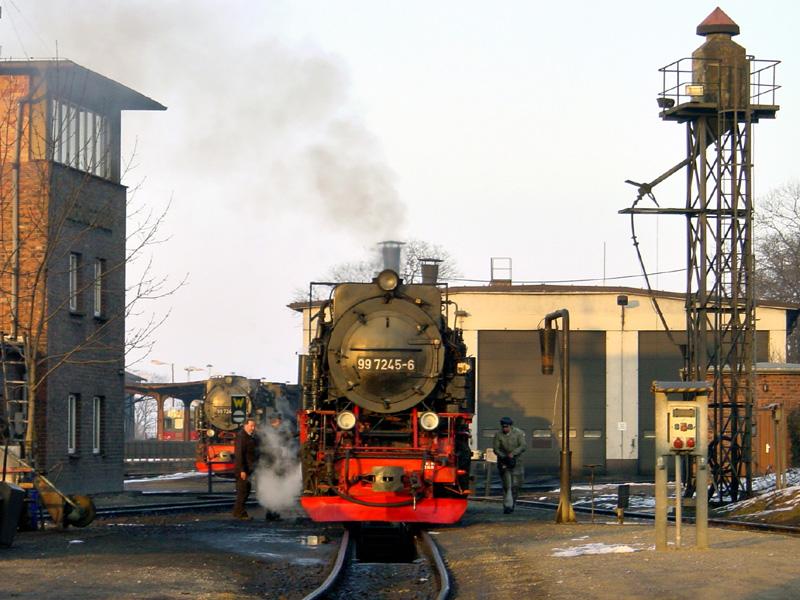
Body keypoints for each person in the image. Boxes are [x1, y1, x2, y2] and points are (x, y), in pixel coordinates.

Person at [493, 416, 526, 514]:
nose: (505, 429)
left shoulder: (518, 433)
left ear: (511, 426)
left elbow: (523, 446)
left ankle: (512, 503)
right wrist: (504, 456)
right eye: (503, 427)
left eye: (506, 427)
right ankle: (507, 506)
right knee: (507, 485)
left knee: (516, 484)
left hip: (517, 461)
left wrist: (513, 453)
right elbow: (496, 449)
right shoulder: (498, 435)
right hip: (504, 461)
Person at [262, 413, 289, 521]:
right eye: (278, 421)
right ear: (275, 421)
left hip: (276, 465)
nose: (280, 423)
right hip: (271, 465)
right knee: (272, 488)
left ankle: (274, 512)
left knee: (276, 489)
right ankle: (271, 513)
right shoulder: (269, 433)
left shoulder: (274, 432)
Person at [232, 417, 258, 520]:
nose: (253, 428)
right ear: (245, 425)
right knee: (243, 492)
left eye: (254, 426)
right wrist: (242, 470)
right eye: (251, 426)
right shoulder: (241, 437)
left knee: (246, 490)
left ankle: (239, 512)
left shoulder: (250, 436)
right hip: (243, 469)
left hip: (249, 468)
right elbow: (239, 454)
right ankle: (239, 513)